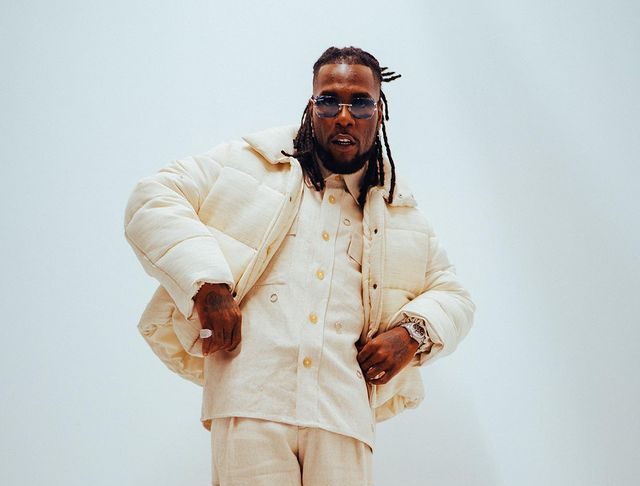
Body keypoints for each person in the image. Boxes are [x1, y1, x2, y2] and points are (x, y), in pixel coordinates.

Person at [124, 46, 475, 486]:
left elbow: (454, 295)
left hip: (342, 414)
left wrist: (411, 334)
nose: (344, 116)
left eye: (360, 103)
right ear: (312, 106)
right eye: (329, 101)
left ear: (379, 112)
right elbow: (153, 197)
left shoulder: (399, 211)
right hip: (251, 400)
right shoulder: (249, 165)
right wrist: (207, 285)